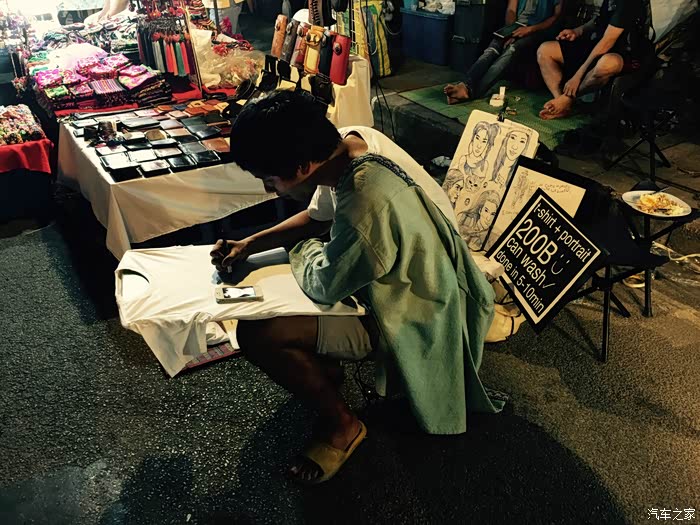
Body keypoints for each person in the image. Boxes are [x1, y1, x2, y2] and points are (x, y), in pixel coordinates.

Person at [210, 91, 503, 484]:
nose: (269, 190)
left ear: (302, 167)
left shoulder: (365, 199)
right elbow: (319, 217)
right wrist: (251, 243)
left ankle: (343, 425)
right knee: (285, 280)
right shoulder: (350, 144)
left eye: (270, 179)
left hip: (415, 312)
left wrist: (301, 249)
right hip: (425, 281)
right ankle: (323, 372)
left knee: (259, 333)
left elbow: (325, 283)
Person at [536, 0, 646, 120]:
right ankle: (561, 102)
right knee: (545, 50)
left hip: (626, 54)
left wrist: (577, 77)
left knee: (607, 63)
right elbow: (598, 21)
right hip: (598, 45)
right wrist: (577, 31)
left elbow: (607, 42)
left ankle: (567, 99)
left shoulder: (628, 3)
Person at [444, 0, 563, 104]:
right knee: (491, 50)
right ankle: (465, 85)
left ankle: (470, 92)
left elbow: (556, 17)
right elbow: (511, 10)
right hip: (517, 27)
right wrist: (510, 32)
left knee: (511, 49)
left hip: (538, 30)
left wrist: (530, 29)